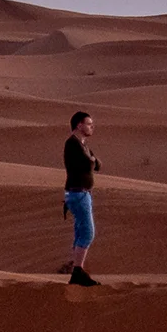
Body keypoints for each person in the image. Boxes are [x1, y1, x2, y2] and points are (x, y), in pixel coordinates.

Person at [62, 111, 101, 286]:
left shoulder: (82, 145)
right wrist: (91, 160)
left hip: (82, 194)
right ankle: (77, 271)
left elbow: (97, 164)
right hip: (78, 194)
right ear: (79, 125)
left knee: (81, 232)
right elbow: (89, 163)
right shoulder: (72, 144)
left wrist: (91, 160)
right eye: (89, 123)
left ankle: (78, 269)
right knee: (87, 232)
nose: (91, 127)